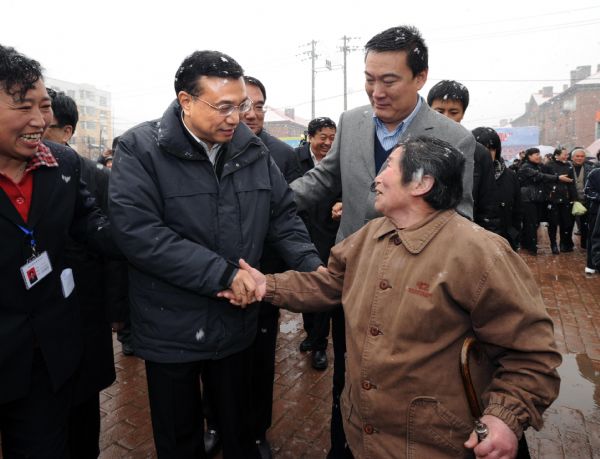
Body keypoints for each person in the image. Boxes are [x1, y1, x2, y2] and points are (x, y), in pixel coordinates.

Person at [223, 135, 561, 459]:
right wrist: (268, 285)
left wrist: (504, 417)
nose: (377, 179)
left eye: (388, 167)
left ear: (421, 183)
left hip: (438, 445)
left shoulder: (480, 253)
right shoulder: (369, 235)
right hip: (361, 437)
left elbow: (531, 356)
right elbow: (330, 286)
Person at [108, 50, 322, 459]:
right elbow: (139, 233)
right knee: (179, 436)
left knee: (239, 428)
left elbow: (284, 217)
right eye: (223, 107)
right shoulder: (140, 149)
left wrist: (313, 268)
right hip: (169, 325)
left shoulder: (252, 150)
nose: (235, 117)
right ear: (185, 101)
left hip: (235, 323)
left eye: (240, 106)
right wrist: (223, 275)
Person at [289, 25, 476, 458]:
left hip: (414, 287)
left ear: (420, 77)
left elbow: (461, 215)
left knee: (403, 380)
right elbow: (323, 179)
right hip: (353, 278)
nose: (377, 91)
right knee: (348, 375)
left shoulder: (453, 139)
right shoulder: (352, 123)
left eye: (389, 80)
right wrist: (268, 204)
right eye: (370, 79)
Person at [0, 45, 117, 458]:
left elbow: (94, 226)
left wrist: (156, 239)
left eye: (44, 105)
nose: (40, 120)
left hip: (45, 360)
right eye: (23, 106)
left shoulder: (61, 163)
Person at [42, 89, 127, 458]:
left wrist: (118, 311)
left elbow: (111, 243)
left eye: (46, 123)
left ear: (66, 132)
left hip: (86, 308)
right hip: (37, 319)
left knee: (82, 413)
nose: (36, 128)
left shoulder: (88, 174)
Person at [295, 116, 339, 371]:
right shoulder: (295, 158)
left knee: (322, 287)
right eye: (322, 137)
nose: (327, 142)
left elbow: (347, 188)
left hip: (327, 232)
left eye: (332, 138)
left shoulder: (338, 162)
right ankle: (310, 332)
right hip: (299, 233)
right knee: (304, 286)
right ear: (310, 137)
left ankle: (320, 344)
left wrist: (340, 203)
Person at [427, 80, 498, 232]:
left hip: (464, 236)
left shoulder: (478, 153)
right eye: (439, 111)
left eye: (453, 112)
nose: (446, 118)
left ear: (463, 113)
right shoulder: (415, 147)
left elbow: (488, 208)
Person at [472, 127, 521, 250]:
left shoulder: (510, 175)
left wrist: (513, 233)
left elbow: (517, 209)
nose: (487, 153)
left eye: (491, 149)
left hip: (504, 242)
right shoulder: (464, 174)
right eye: (482, 148)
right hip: (473, 243)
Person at [517, 147, 572, 255]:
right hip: (529, 199)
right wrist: (558, 178)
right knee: (531, 224)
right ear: (529, 156)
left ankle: (527, 244)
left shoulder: (539, 166)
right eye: (536, 154)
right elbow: (540, 176)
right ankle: (531, 248)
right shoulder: (525, 167)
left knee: (535, 223)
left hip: (538, 198)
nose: (539, 156)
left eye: (539, 154)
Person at [542, 148, 577, 254]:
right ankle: (553, 244)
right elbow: (544, 180)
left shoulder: (569, 166)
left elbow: (572, 183)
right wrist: (550, 192)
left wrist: (574, 198)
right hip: (552, 199)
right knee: (553, 223)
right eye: (564, 154)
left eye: (567, 154)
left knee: (565, 222)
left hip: (566, 199)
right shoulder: (548, 165)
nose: (566, 156)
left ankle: (563, 243)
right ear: (557, 155)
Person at [570, 147, 594, 248]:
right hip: (570, 200)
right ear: (572, 157)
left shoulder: (591, 168)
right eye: (577, 156)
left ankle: (585, 244)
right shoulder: (567, 167)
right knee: (568, 224)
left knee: (585, 224)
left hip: (586, 200)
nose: (580, 158)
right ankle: (567, 245)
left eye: (582, 156)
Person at [584, 167, 600, 273]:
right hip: (596, 210)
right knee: (594, 236)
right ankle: (591, 264)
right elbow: (587, 191)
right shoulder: (595, 173)